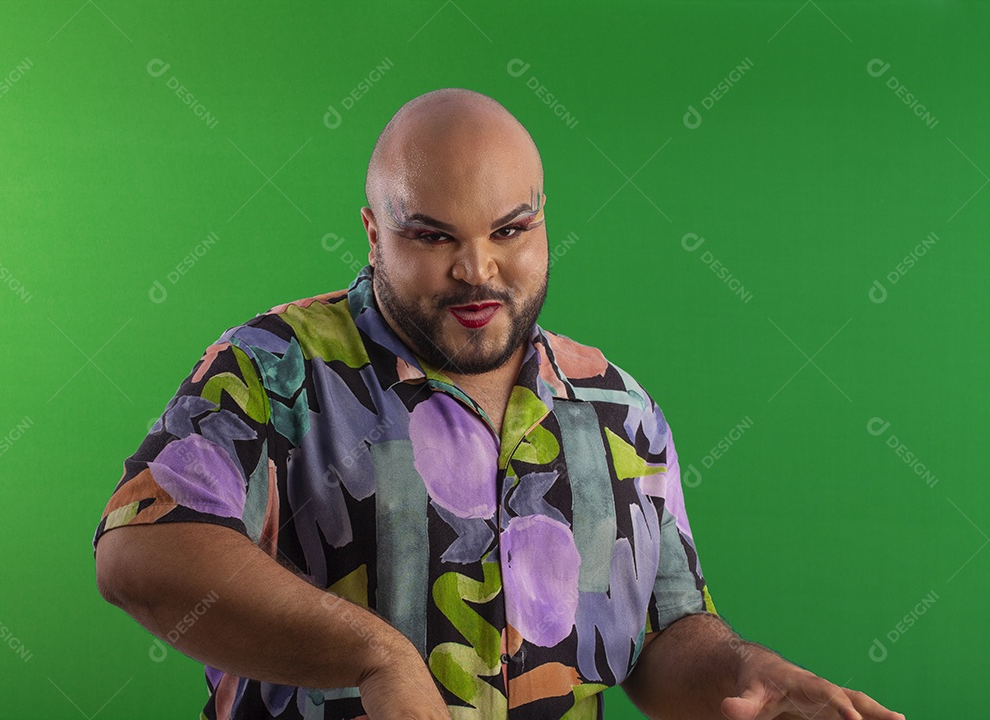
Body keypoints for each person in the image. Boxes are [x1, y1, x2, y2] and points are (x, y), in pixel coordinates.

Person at [93, 88, 905, 720]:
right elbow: (141, 554)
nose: (477, 270)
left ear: (543, 222)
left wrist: (743, 672)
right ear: (374, 235)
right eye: (433, 237)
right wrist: (378, 658)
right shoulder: (274, 368)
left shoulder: (619, 407)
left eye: (509, 230)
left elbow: (662, 639)